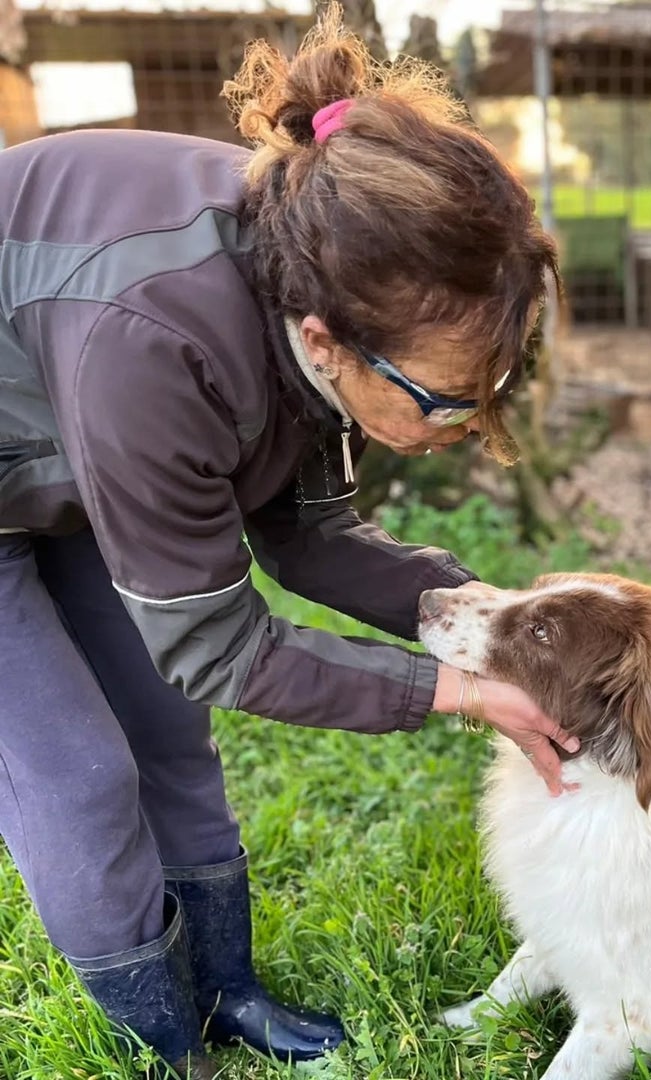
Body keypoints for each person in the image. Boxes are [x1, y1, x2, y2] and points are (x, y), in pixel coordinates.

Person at [0, 7, 579, 1077]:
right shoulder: (162, 339)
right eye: (447, 400)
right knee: (79, 772)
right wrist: (455, 694)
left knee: (170, 737)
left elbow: (310, 539)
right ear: (328, 341)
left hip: (64, 443)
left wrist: (487, 623)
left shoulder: (319, 260)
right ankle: (162, 1047)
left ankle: (227, 992)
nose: (461, 427)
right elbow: (218, 647)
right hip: (54, 425)